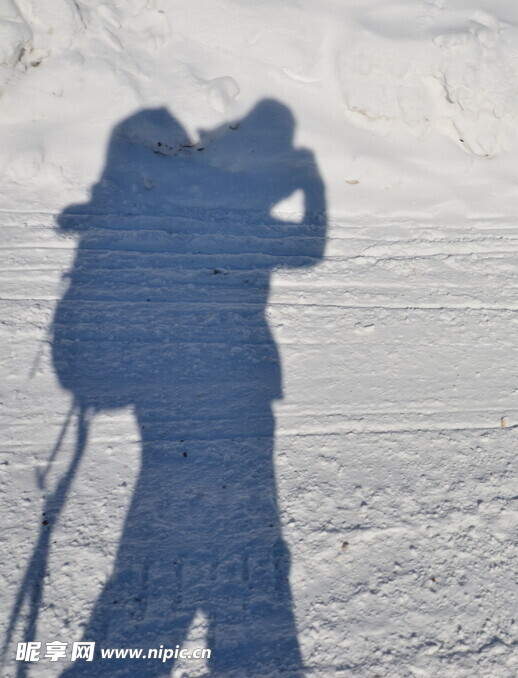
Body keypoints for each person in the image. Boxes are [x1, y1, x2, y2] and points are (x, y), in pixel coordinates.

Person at [48, 99, 326, 676]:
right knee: (241, 521)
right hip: (239, 383)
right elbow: (311, 246)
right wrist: (312, 180)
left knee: (167, 506)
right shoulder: (245, 209)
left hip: (164, 386)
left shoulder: (164, 201)